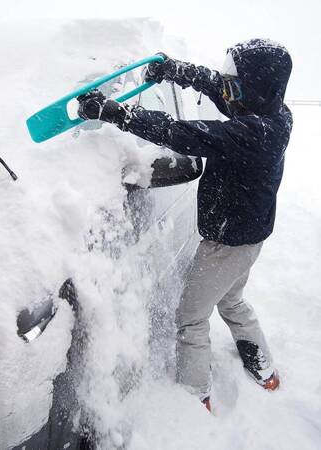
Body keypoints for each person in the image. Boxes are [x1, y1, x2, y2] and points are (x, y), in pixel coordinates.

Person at [77, 38, 293, 412]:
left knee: (190, 318)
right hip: (247, 235)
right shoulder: (272, 111)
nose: (227, 91)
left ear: (256, 88)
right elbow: (219, 87)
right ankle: (265, 369)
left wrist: (118, 114)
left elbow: (184, 133)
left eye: (235, 85)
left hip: (229, 243)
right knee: (232, 299)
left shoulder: (256, 133)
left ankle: (193, 400)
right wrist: (178, 70)